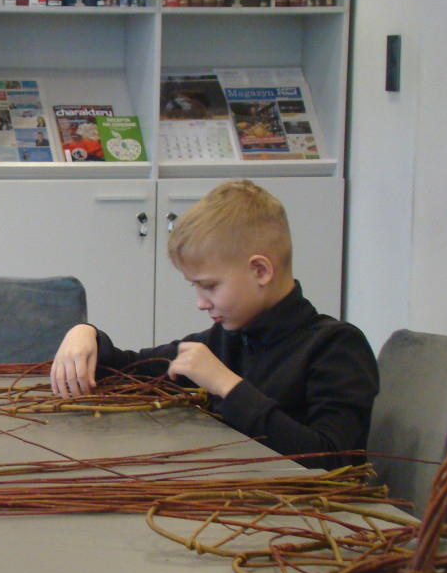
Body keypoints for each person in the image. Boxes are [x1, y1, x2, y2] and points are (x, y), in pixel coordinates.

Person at [50, 179, 379, 470]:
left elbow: (335, 463)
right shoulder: (227, 339)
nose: (200, 302)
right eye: (194, 287)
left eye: (209, 286)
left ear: (260, 271)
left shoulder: (336, 347)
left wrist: (226, 386)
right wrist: (85, 334)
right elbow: (134, 368)